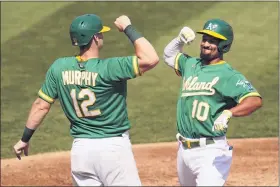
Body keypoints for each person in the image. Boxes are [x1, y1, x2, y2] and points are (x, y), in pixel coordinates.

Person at [13, 14, 159, 186]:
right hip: (113, 150)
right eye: (101, 34)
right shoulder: (110, 68)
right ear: (95, 38)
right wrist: (128, 27)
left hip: (81, 152)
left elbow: (41, 106)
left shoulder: (59, 68)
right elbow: (151, 58)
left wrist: (24, 139)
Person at [163, 19, 262, 186]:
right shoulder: (190, 64)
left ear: (224, 45)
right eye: (205, 39)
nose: (206, 44)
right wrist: (179, 40)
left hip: (211, 151)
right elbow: (168, 55)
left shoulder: (228, 74)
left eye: (213, 41)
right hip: (183, 150)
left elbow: (254, 100)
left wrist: (228, 112)